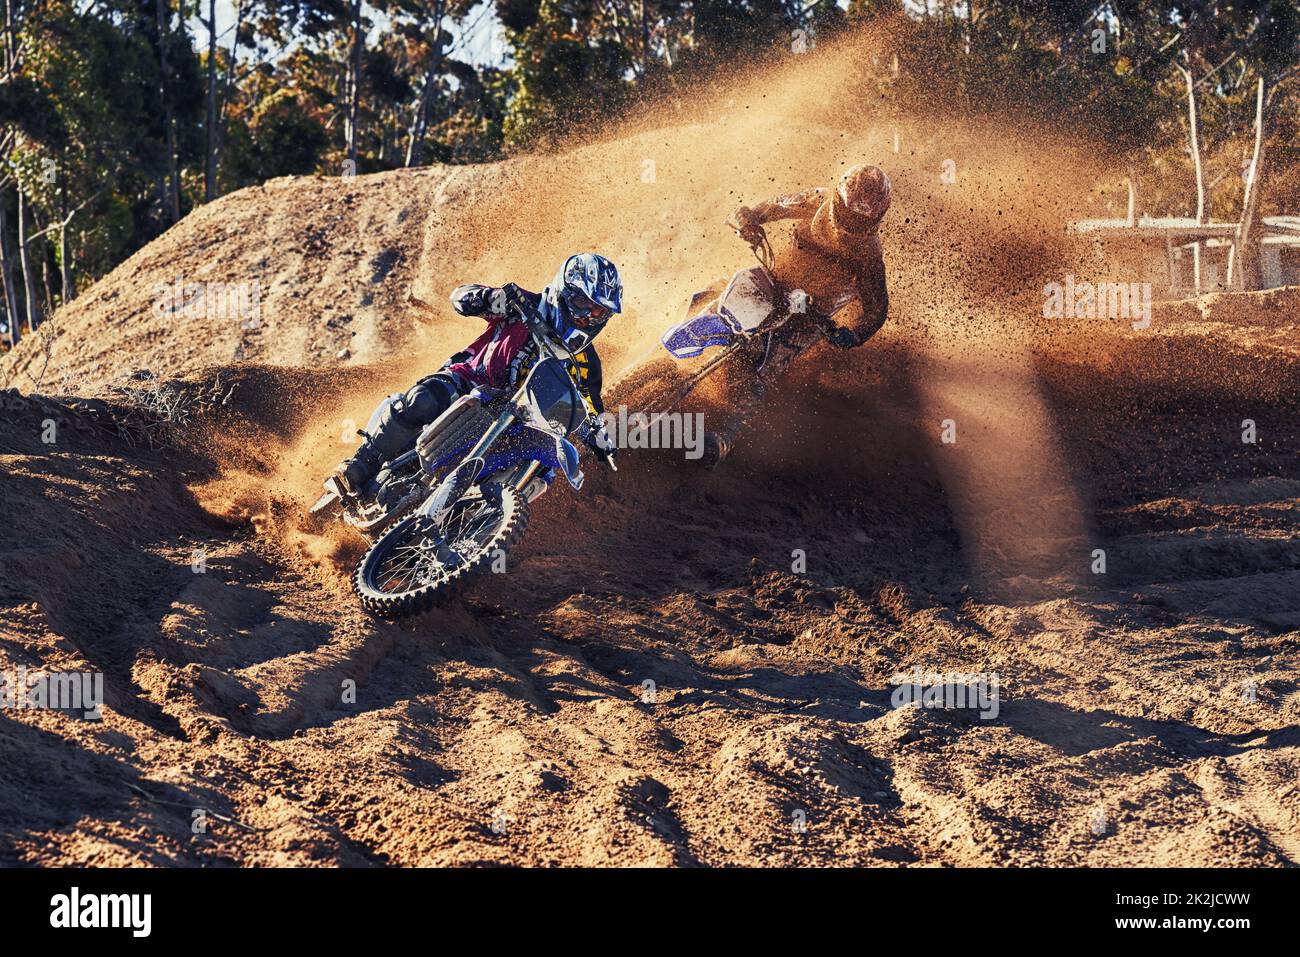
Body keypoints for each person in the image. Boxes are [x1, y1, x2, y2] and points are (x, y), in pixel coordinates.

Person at [331, 252, 622, 497]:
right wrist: (487, 298)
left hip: (514, 422)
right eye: (584, 304)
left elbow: (587, 407)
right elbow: (460, 297)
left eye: (599, 312)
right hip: (469, 383)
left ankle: (478, 523)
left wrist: (598, 435)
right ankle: (360, 465)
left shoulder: (587, 362)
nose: (589, 317)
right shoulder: (522, 304)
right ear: (564, 290)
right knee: (423, 400)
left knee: (543, 467)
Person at [702, 163, 891, 468]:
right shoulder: (818, 200)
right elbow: (774, 205)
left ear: (877, 218)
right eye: (850, 213)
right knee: (716, 293)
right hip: (779, 280)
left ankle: (725, 436)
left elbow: (878, 308)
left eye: (862, 219)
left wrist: (853, 334)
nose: (854, 222)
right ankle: (666, 347)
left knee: (767, 363)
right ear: (839, 199)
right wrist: (749, 217)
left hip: (815, 315)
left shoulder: (870, 254)